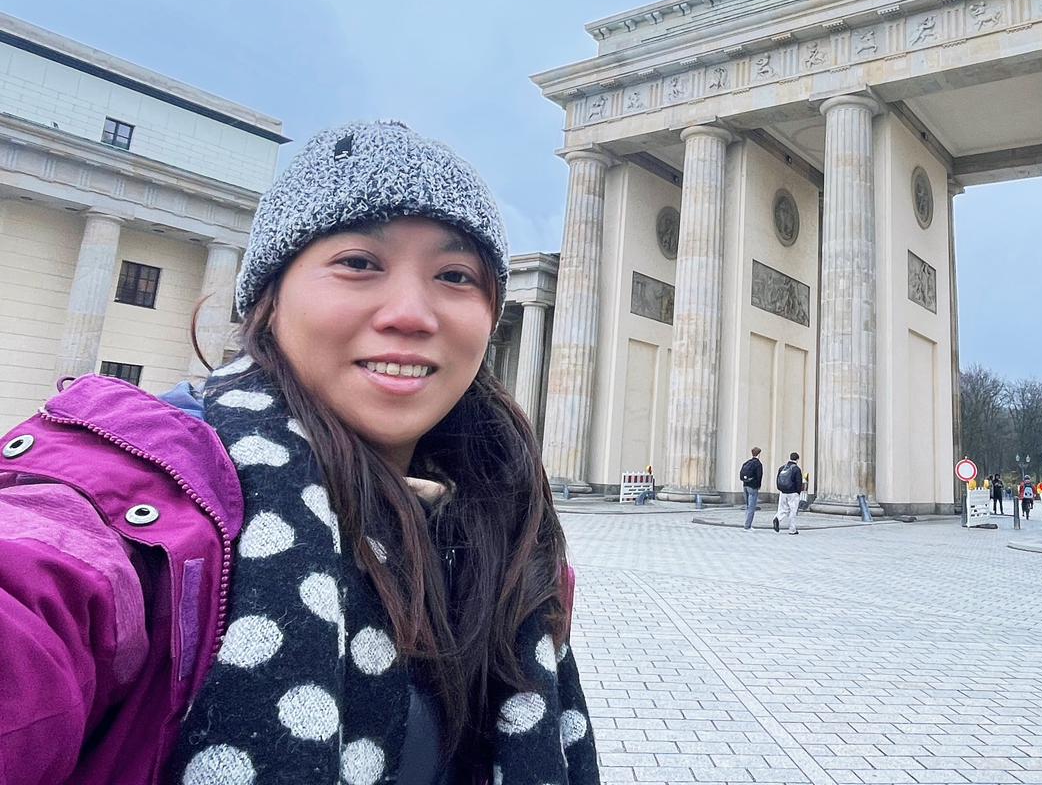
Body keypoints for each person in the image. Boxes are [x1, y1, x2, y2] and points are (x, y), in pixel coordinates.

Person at [0, 120, 600, 784]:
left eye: (455, 275)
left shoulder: (503, 548)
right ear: (269, 298)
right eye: (359, 263)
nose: (412, 313)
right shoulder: (141, 516)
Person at [773, 452, 804, 534]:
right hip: (793, 493)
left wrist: (780, 489)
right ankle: (792, 529)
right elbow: (799, 482)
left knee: (783, 509)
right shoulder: (796, 469)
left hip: (783, 492)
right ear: (797, 459)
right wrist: (798, 492)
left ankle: (777, 518)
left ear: (790, 458)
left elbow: (777, 480)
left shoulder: (782, 468)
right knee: (792, 511)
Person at [740, 446, 764, 530]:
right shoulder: (758, 464)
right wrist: (758, 486)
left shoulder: (747, 462)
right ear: (759, 454)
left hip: (745, 485)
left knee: (747, 506)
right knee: (751, 507)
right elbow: (759, 476)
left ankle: (746, 523)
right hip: (753, 487)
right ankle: (747, 525)